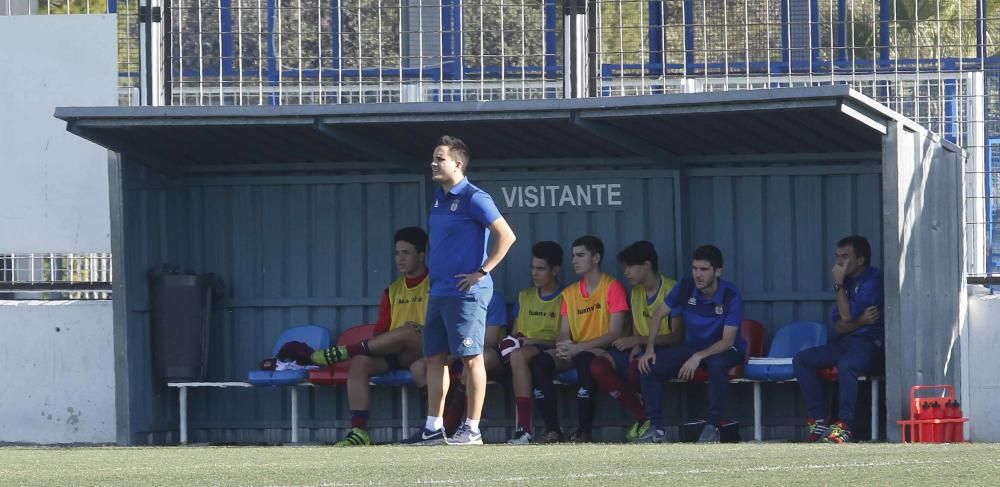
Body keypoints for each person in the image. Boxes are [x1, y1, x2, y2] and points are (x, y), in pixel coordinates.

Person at [402, 135, 516, 446]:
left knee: (471, 358)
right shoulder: (439, 197)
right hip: (439, 293)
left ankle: (472, 429)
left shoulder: (475, 197)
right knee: (434, 358)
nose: (433, 163)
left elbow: (506, 236)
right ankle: (433, 428)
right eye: (433, 158)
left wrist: (482, 271)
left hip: (467, 294)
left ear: (458, 163)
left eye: (440, 158)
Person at [309, 227, 430, 447]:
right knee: (359, 363)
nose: (399, 259)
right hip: (399, 353)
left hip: (428, 349)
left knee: (408, 331)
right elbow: (381, 332)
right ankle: (359, 432)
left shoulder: (437, 283)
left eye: (406, 252)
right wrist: (392, 339)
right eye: (397, 253)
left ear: (421, 255)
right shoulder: (392, 291)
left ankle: (344, 351)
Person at [638, 245, 746, 443]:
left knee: (716, 364)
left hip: (726, 349)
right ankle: (656, 429)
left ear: (717, 271)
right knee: (648, 367)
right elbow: (658, 315)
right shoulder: (686, 285)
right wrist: (649, 349)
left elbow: (727, 340)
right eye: (695, 268)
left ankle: (712, 426)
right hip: (693, 347)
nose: (698, 275)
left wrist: (698, 357)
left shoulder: (730, 294)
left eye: (704, 269)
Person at [529, 235, 628, 443]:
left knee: (585, 360)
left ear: (596, 257)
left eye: (581, 255)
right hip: (576, 350)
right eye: (573, 256)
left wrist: (578, 348)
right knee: (540, 362)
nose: (574, 260)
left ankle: (584, 431)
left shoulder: (613, 287)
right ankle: (552, 430)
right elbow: (564, 330)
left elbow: (615, 333)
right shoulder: (570, 292)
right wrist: (564, 344)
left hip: (602, 350)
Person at [793, 235, 884, 444]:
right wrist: (860, 321)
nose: (839, 262)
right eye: (838, 257)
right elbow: (840, 325)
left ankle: (845, 425)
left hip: (869, 344)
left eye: (845, 256)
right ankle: (819, 419)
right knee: (801, 359)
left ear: (860, 260)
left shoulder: (872, 279)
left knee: (847, 364)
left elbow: (846, 316)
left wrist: (838, 284)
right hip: (844, 342)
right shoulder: (847, 283)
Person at [589, 241, 680, 443]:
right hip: (641, 348)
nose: (626, 272)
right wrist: (635, 345)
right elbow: (637, 326)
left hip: (667, 351)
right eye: (624, 267)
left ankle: (653, 425)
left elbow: (677, 337)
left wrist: (637, 341)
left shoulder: (672, 289)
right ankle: (642, 415)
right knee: (598, 365)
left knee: (637, 367)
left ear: (647, 265)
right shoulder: (636, 292)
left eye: (630, 266)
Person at [505, 241, 565, 445]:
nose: (534, 273)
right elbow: (514, 334)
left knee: (521, 356)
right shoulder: (525, 296)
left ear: (555, 270)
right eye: (532, 267)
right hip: (523, 353)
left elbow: (566, 338)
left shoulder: (567, 297)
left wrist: (534, 340)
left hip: (553, 351)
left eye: (540, 268)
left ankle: (524, 429)